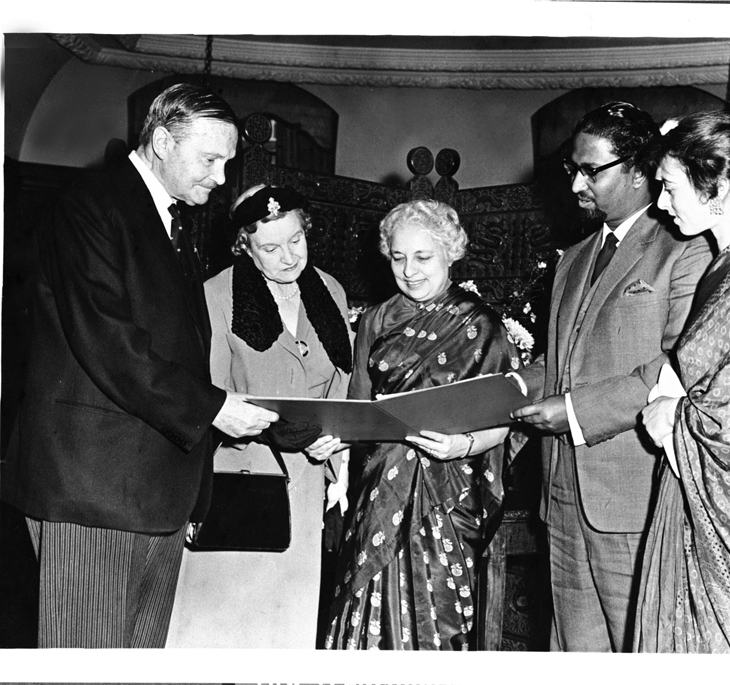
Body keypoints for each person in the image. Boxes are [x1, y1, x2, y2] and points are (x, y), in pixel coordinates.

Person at [0, 84, 279, 648]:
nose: (222, 178)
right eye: (210, 160)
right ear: (160, 142)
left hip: (155, 495)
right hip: (94, 491)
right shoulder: (90, 204)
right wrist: (214, 408)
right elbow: (108, 340)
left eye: (227, 162)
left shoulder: (170, 219)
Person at [512, 101, 713, 652]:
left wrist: (574, 412)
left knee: (641, 654)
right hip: (561, 498)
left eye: (591, 170)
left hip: (634, 498)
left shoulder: (689, 249)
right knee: (575, 656)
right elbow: (560, 361)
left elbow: (680, 366)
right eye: (571, 169)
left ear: (640, 167)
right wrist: (503, 392)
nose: (576, 183)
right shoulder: (574, 257)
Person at [323, 199, 522, 650]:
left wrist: (462, 446)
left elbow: (505, 423)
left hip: (447, 498)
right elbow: (356, 410)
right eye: (398, 257)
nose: (410, 271)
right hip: (377, 493)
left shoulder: (482, 326)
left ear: (451, 253)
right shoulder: (374, 321)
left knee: (439, 622)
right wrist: (332, 447)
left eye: (423, 257)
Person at [166, 184, 353, 648]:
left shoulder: (329, 289)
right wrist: (292, 432)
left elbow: (342, 386)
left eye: (297, 240)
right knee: (224, 630)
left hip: (309, 482)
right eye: (270, 247)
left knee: (287, 630)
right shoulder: (215, 296)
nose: (289, 257)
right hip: (244, 479)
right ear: (244, 246)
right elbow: (215, 397)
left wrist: (339, 448)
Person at [635, 110, 730, 653]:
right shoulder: (718, 265)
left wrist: (676, 416)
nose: (662, 203)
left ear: (715, 183)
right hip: (687, 490)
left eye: (669, 188)